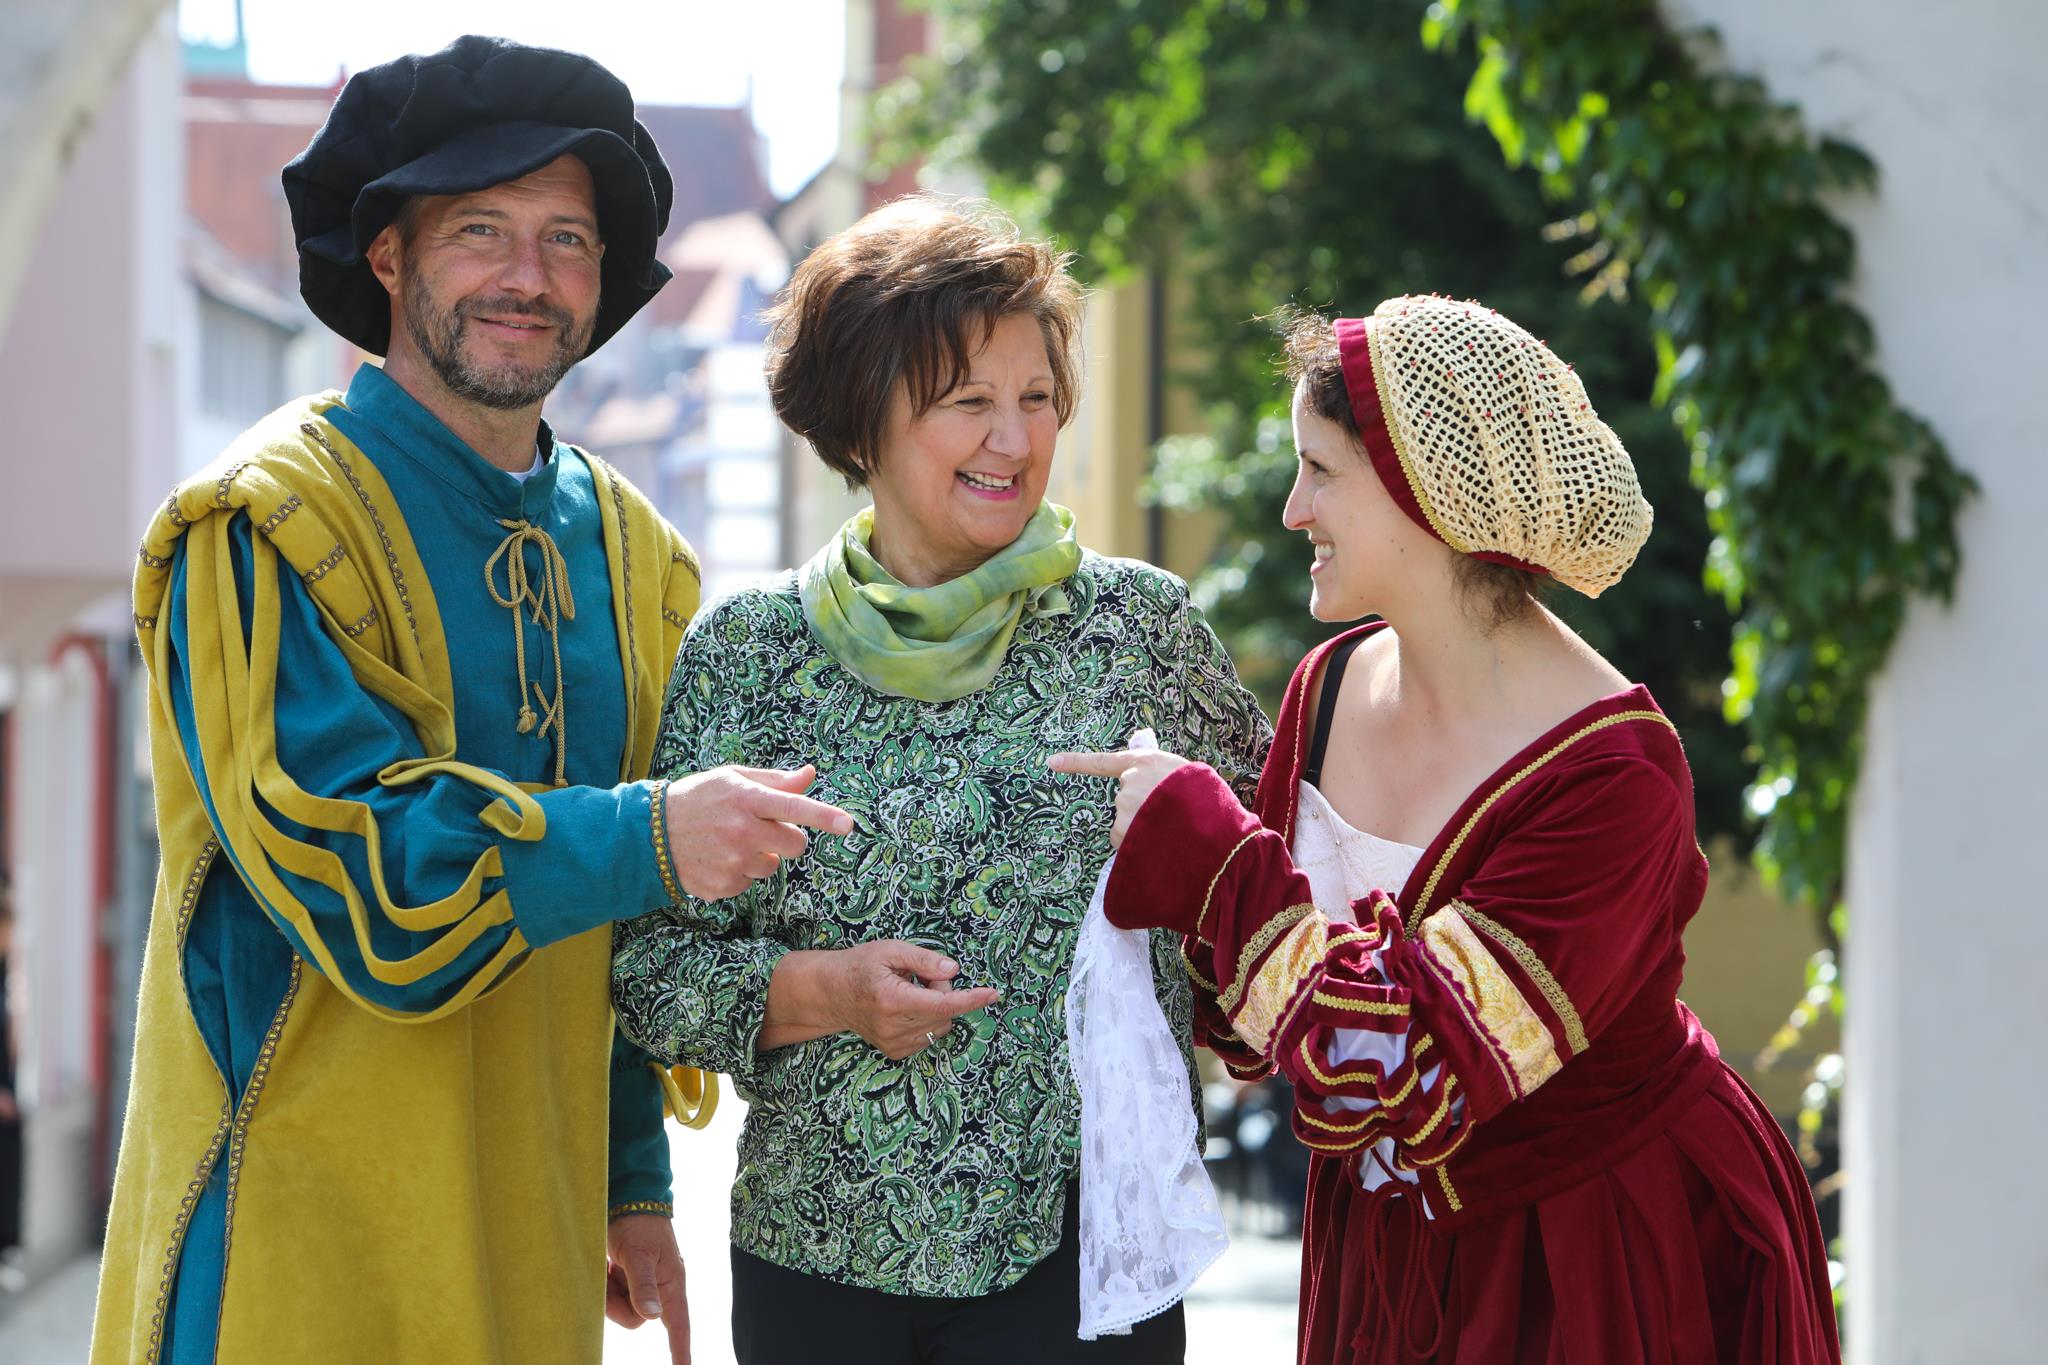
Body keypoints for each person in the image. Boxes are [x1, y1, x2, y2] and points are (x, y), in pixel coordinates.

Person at [91, 37, 851, 1365]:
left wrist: (632, 1180)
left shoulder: (631, 553)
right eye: (480, 232)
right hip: (296, 1249)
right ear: (389, 256)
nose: (527, 277)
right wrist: (647, 833)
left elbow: (625, 931)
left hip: (531, 1242)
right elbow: (362, 877)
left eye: (568, 240)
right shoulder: (264, 521)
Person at [1054, 297, 1840, 1362]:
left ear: (1421, 485)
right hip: (1386, 1251)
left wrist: (1215, 863)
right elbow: (1255, 1022)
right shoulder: (1328, 685)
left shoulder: (1615, 777)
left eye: (1319, 470)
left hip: (1593, 1254)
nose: (1292, 509)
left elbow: (1399, 1066)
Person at [611, 197, 1271, 1364]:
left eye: (1036, 398)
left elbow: (1274, 891)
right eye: (967, 402)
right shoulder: (746, 655)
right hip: (817, 1263)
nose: (1012, 440)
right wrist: (824, 992)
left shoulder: (1138, 630)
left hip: (1085, 1261)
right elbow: (650, 971)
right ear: (862, 421)